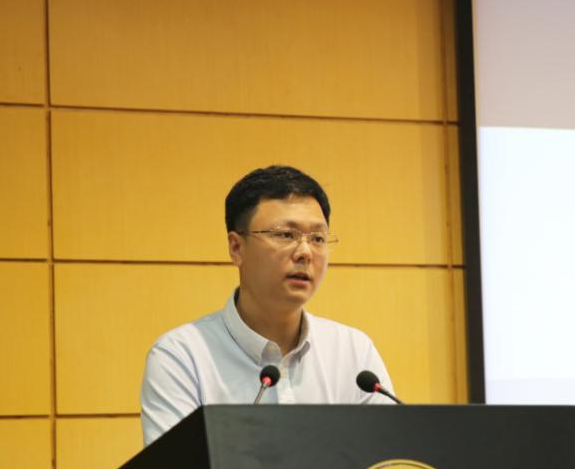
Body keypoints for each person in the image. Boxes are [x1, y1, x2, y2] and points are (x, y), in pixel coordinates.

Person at [139, 165, 394, 445]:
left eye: (318, 239)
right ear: (236, 248)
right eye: (286, 235)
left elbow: (387, 457)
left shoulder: (354, 352)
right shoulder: (182, 357)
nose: (305, 252)